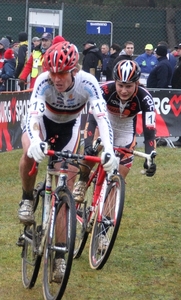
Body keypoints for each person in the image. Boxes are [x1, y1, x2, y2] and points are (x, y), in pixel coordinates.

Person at [18, 41, 118, 280]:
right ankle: (27, 198)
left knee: (66, 191)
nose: (56, 78)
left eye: (61, 73)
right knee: (29, 155)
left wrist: (110, 150)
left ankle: (60, 258)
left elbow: (102, 119)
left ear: (74, 70)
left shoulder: (88, 83)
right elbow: (33, 116)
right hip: (42, 123)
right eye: (52, 73)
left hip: (68, 128)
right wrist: (35, 141)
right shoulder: (43, 81)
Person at [73, 60, 156, 203]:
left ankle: (105, 219)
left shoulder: (145, 97)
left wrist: (150, 157)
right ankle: (82, 181)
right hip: (103, 126)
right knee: (90, 154)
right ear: (115, 82)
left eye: (129, 86)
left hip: (126, 133)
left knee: (118, 181)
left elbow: (149, 130)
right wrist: (87, 145)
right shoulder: (104, 89)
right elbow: (92, 120)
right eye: (120, 85)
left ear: (136, 83)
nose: (124, 90)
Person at [171, 41, 181, 147]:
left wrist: (179, 91)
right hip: (179, 93)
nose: (177, 50)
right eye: (177, 48)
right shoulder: (180, 61)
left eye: (180, 48)